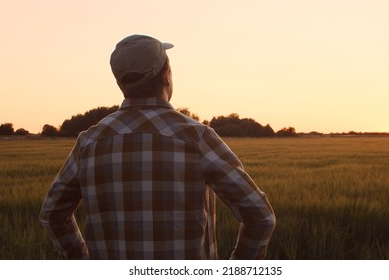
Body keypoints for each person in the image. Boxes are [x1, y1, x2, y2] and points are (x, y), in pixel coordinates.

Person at [40, 34, 276, 260]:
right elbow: (260, 217)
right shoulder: (197, 138)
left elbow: (52, 214)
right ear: (166, 76)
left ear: (121, 83)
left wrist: (81, 258)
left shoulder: (89, 143)